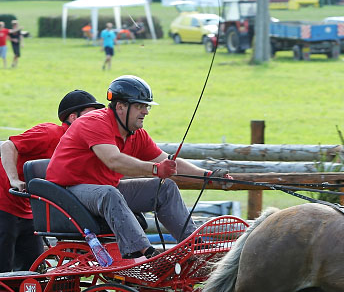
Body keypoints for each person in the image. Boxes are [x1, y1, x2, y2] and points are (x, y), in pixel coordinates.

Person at [46, 75, 219, 261]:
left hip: (104, 190)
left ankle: (194, 246)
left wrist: (207, 175)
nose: (145, 112)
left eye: (147, 106)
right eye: (140, 106)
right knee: (109, 193)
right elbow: (113, 160)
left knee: (165, 188)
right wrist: (156, 170)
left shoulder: (136, 134)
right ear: (120, 106)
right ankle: (145, 254)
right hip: (69, 191)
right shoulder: (94, 122)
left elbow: (168, 161)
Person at [0, 90, 105, 274]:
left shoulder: (81, 147)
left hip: (30, 211)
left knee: (33, 272)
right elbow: (8, 146)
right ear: (73, 117)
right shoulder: (50, 133)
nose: (95, 120)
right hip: (2, 203)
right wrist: (14, 179)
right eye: (90, 115)